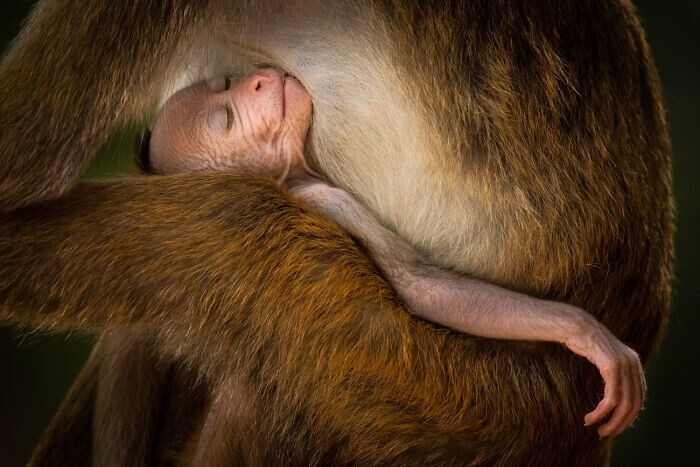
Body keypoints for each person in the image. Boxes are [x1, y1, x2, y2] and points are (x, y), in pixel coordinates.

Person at [140, 68, 644, 433]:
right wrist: (575, 327)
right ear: (239, 191)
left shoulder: (311, 181)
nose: (249, 84)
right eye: (227, 119)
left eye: (224, 82)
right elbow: (421, 288)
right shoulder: (314, 204)